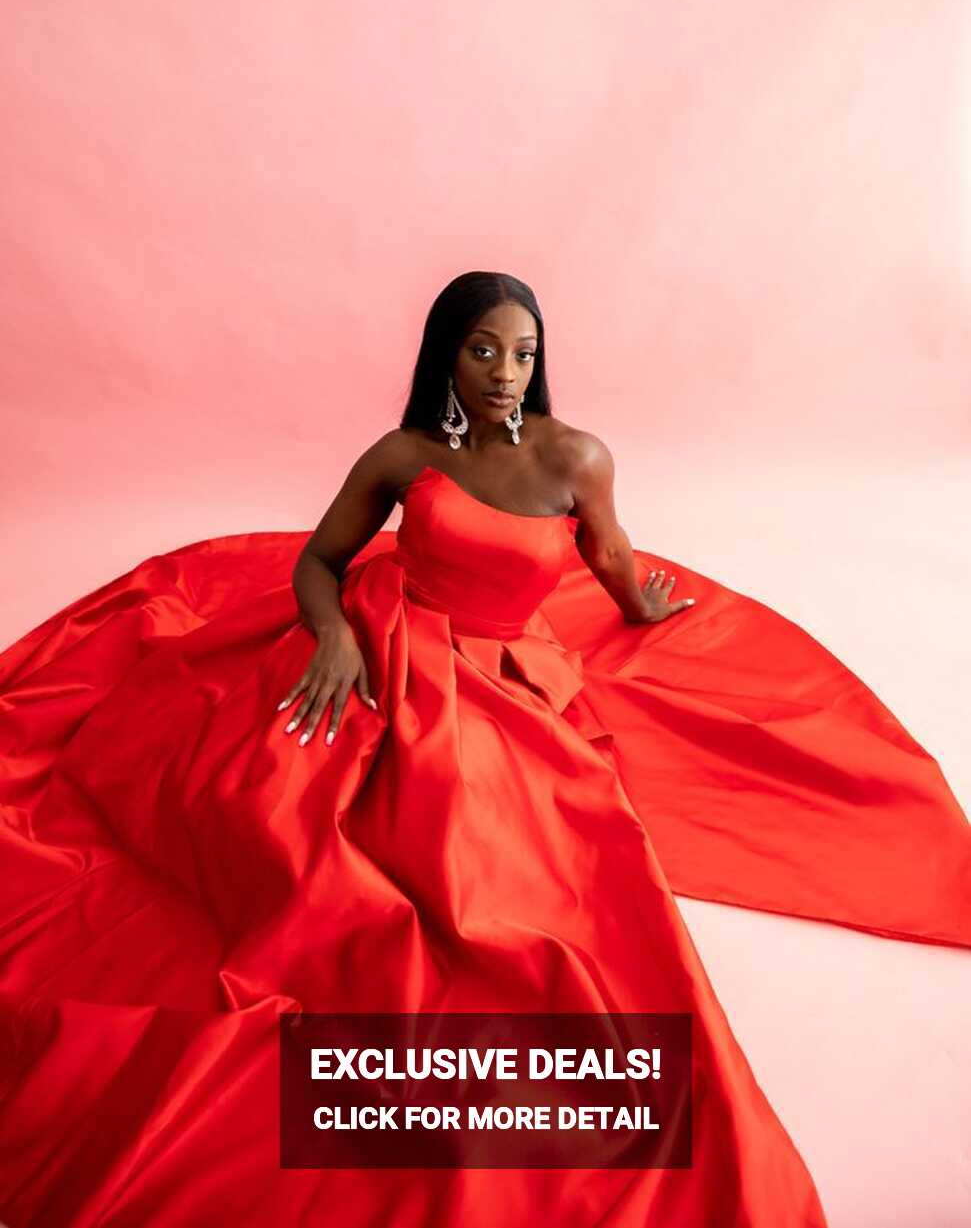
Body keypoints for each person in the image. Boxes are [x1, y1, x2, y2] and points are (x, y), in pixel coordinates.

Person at [0, 270, 968, 1227]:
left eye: (523, 351)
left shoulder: (575, 456)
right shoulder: (403, 454)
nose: (505, 371)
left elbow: (609, 553)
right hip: (391, 639)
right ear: (444, 356)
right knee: (293, 821)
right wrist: (332, 632)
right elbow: (320, 560)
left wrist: (639, 605)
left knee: (511, 863)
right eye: (482, 349)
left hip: (501, 669)